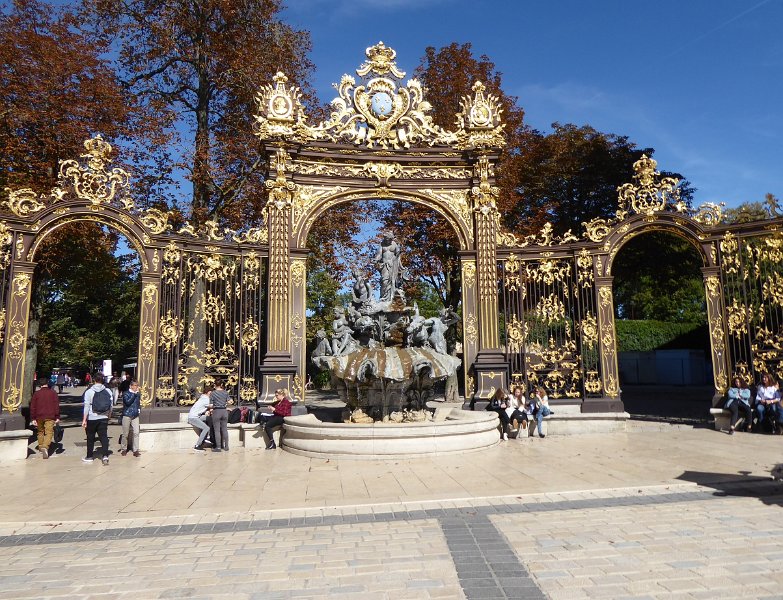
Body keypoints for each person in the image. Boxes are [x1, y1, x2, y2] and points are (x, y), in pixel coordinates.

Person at [82, 374, 113, 465]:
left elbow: (86, 406)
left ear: (94, 380)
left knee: (90, 437)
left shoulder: (89, 391)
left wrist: (84, 419)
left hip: (92, 417)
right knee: (103, 437)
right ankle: (105, 455)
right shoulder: (108, 391)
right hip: (104, 417)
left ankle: (89, 456)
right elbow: (111, 405)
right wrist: (109, 415)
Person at [30, 377, 60, 459]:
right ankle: (45, 446)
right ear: (47, 383)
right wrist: (57, 416)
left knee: (40, 432)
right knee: (49, 432)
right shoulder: (53, 393)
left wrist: (33, 418)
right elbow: (56, 405)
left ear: (40, 385)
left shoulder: (36, 394)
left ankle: (40, 446)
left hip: (39, 416)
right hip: (50, 415)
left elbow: (33, 406)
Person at [120, 380, 141, 456]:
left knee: (136, 432)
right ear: (131, 386)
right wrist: (133, 395)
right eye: (135, 386)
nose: (136, 387)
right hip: (127, 414)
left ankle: (135, 450)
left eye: (137, 386)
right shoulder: (126, 393)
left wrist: (139, 410)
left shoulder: (138, 394)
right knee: (125, 433)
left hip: (135, 415)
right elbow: (127, 402)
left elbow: (138, 403)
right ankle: (124, 448)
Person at [188, 385, 213, 451]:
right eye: (211, 393)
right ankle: (198, 445)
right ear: (209, 392)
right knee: (206, 428)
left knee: (209, 419)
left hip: (196, 416)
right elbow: (212, 406)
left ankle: (208, 436)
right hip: (193, 418)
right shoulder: (206, 399)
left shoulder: (202, 397)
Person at [209, 379, 229, 452]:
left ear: (215, 385)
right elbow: (230, 401)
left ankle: (218, 447)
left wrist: (209, 407)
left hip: (216, 411)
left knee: (217, 430)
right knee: (224, 429)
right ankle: (226, 446)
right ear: (221, 385)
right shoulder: (225, 392)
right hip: (224, 411)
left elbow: (211, 405)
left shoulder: (213, 393)